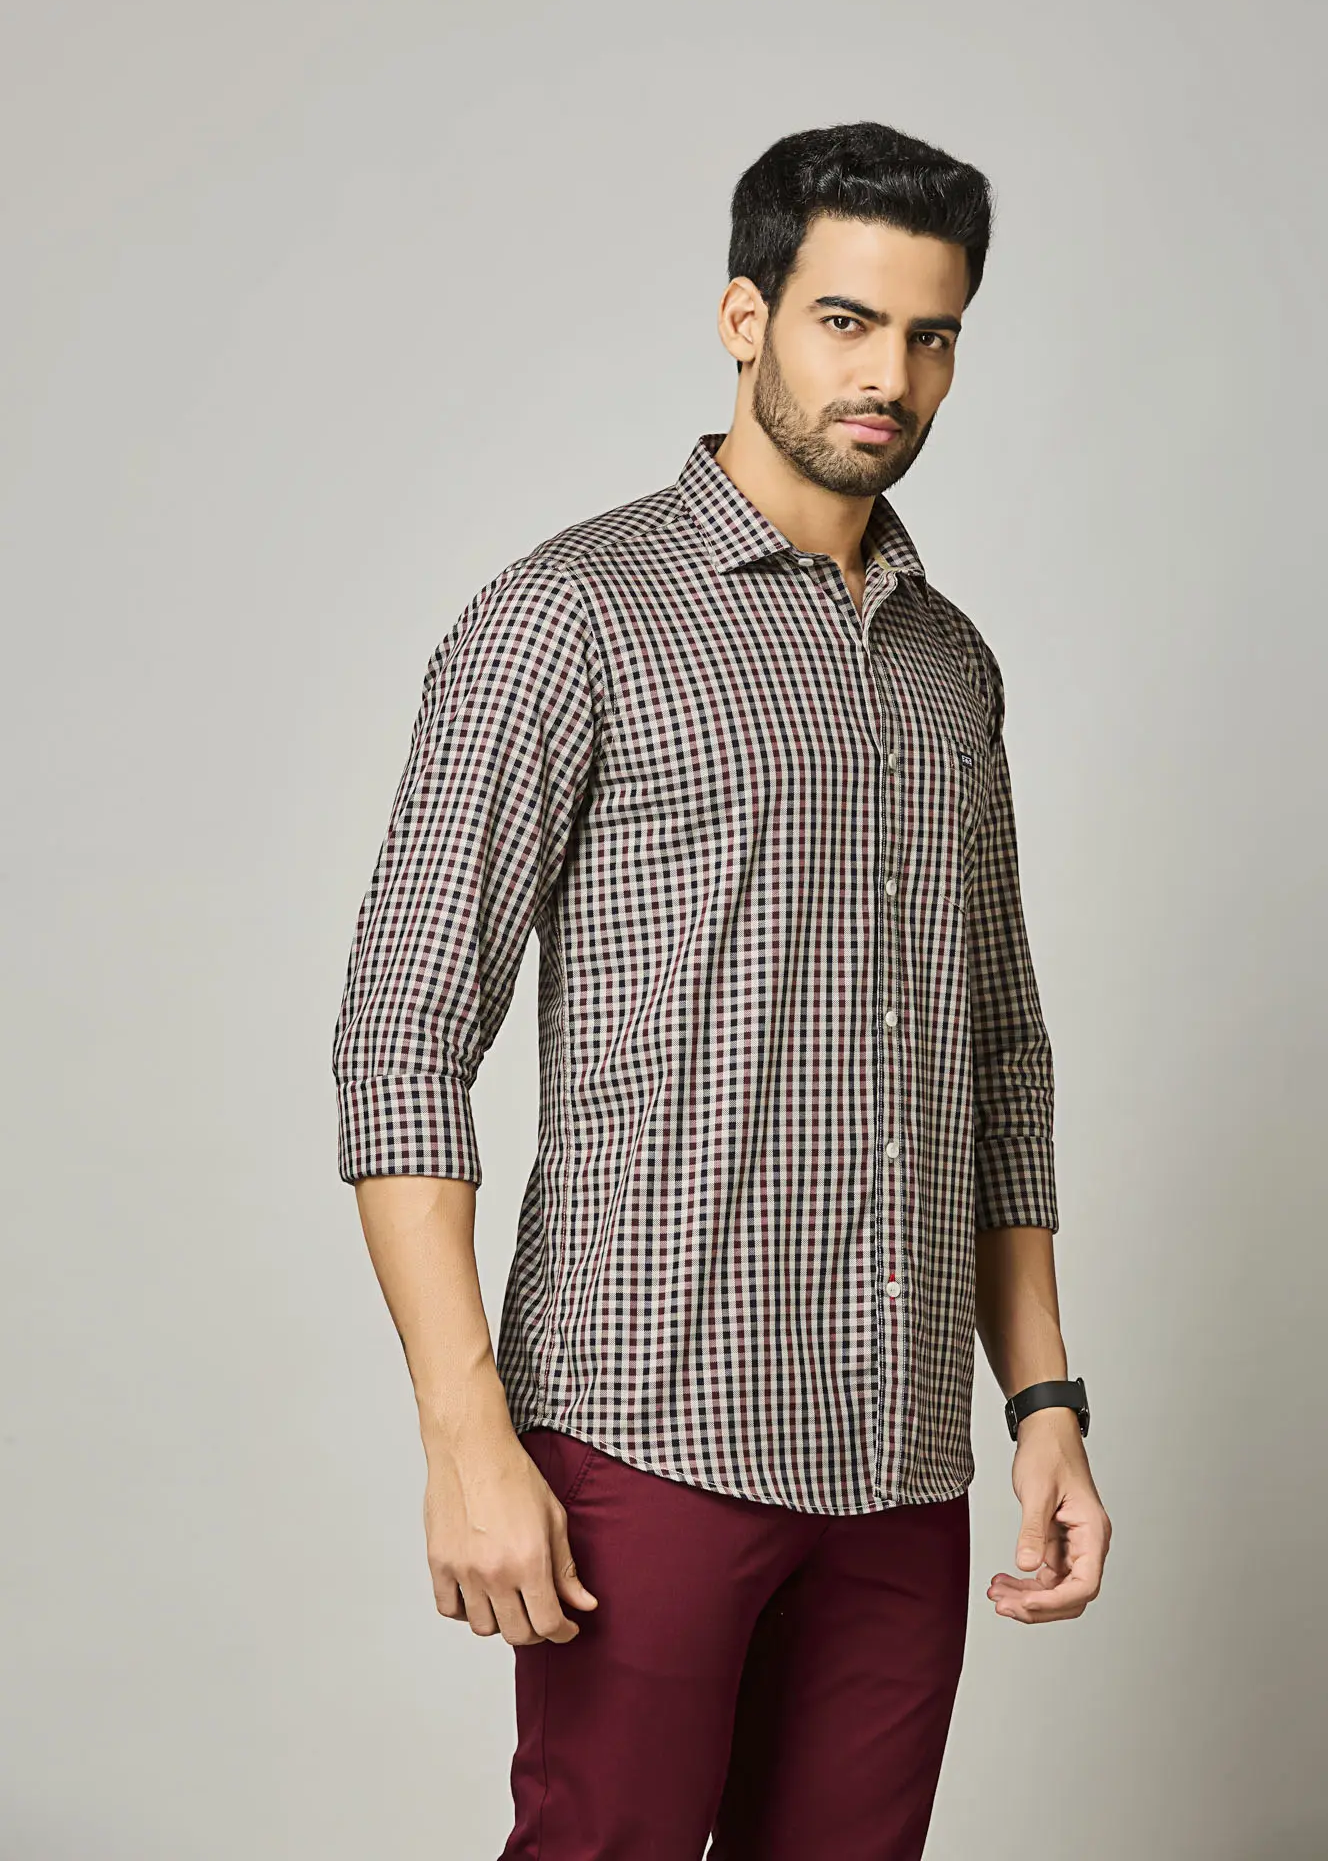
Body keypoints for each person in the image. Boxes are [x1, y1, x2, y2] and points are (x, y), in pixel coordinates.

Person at [331, 119, 1112, 1860]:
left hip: (900, 1453)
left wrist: (1044, 1404)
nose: (890, 375)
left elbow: (1000, 1060)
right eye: (847, 321)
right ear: (743, 319)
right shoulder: (569, 617)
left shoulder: (951, 664)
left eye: (931, 334)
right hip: (646, 1425)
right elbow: (399, 1037)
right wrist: (465, 1436)